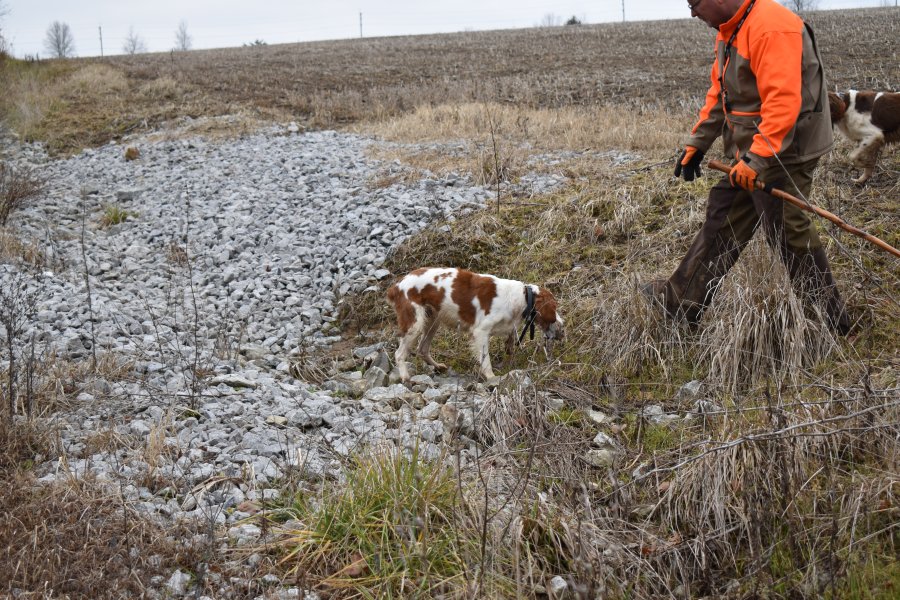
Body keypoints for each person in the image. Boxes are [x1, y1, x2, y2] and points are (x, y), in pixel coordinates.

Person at [644, 0, 850, 335]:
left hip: (788, 146)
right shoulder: (731, 29)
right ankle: (681, 304)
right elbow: (720, 91)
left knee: (787, 227)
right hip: (761, 146)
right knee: (726, 211)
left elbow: (783, 100)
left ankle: (830, 322)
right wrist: (698, 142)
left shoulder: (771, 26)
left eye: (695, 4)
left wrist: (756, 159)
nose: (693, 13)